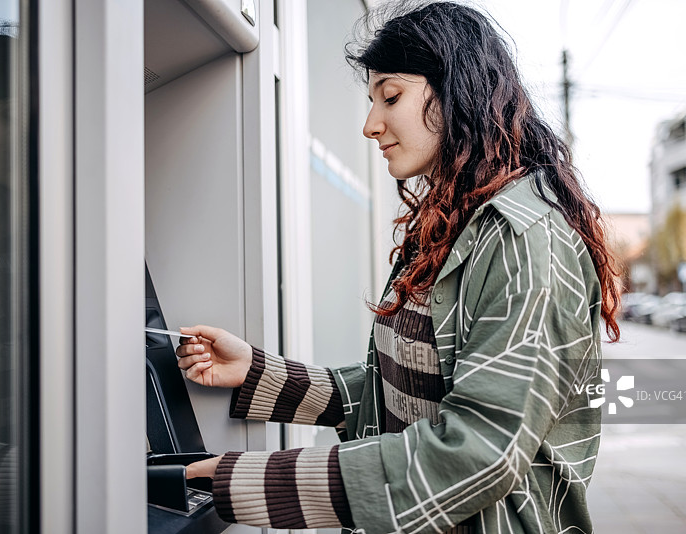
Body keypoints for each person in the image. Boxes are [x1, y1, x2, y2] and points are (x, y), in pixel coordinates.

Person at [176, 2, 621, 533]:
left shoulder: (525, 240)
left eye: (391, 96)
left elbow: (478, 451)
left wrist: (254, 482)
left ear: (461, 92)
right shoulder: (455, 222)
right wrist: (259, 373)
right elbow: (401, 397)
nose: (370, 125)